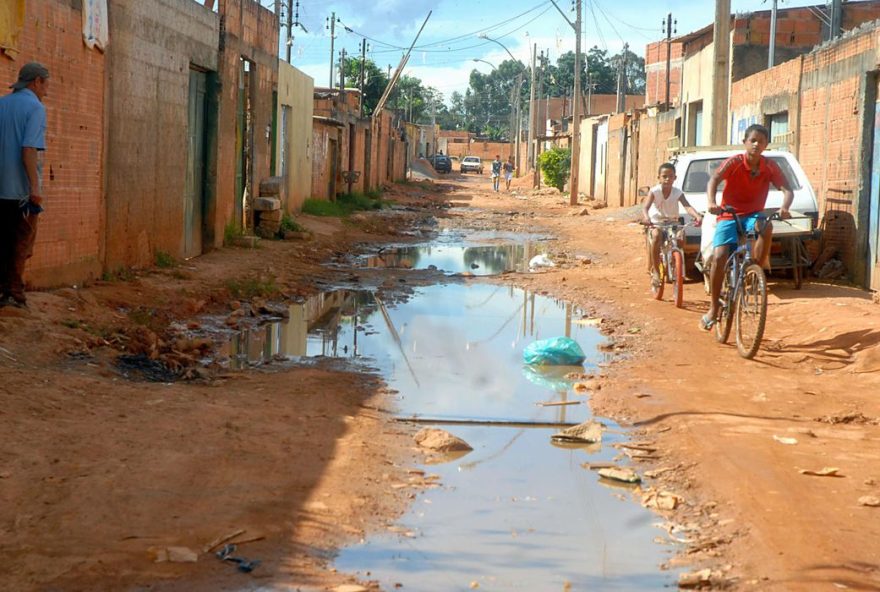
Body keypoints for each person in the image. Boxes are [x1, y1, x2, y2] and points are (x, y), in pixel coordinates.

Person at [700, 123, 793, 330]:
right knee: (719, 256)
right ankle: (714, 307)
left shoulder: (770, 166)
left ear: (766, 145)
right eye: (753, 140)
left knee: (766, 227)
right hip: (728, 213)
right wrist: (711, 202)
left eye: (761, 141)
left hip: (753, 214)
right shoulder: (734, 162)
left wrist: (785, 207)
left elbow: (787, 190)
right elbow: (714, 179)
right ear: (745, 142)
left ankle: (755, 269)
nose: (756, 144)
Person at [0, 62, 49, 308]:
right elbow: (28, 149)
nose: (46, 90)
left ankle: (4, 291)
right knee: (21, 242)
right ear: (36, 82)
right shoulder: (36, 108)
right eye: (45, 84)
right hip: (19, 190)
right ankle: (14, 294)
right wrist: (35, 188)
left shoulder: (2, 104)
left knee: (3, 240)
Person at [641, 163, 702, 289]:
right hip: (657, 222)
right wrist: (646, 218)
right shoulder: (654, 191)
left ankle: (676, 264)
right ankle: (657, 272)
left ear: (675, 178)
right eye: (664, 176)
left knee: (680, 237)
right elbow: (645, 207)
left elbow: (687, 206)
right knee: (657, 236)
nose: (667, 179)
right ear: (659, 177)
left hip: (672, 222)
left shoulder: (677, 192)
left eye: (670, 176)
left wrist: (696, 216)